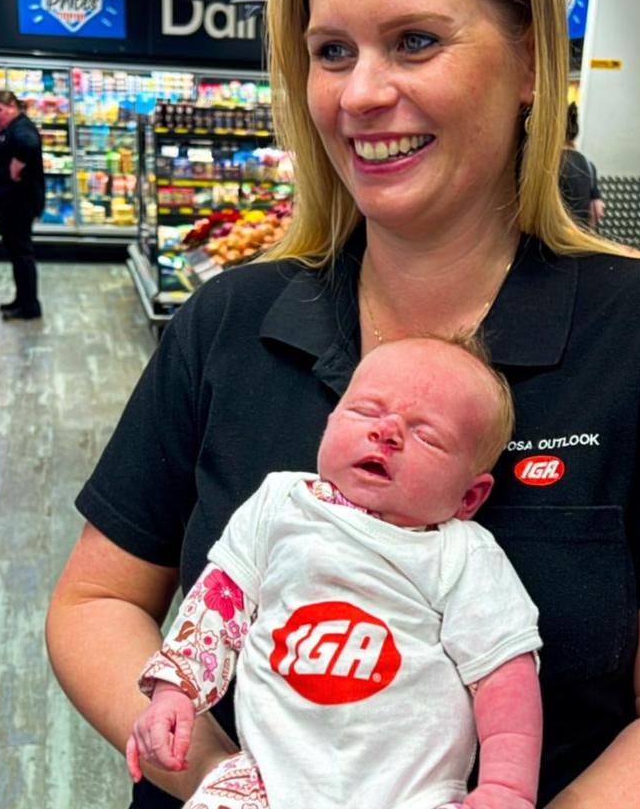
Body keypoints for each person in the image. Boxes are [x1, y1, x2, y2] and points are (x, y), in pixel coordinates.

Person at [46, 0, 640, 809]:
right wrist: (225, 779)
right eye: (331, 51)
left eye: (415, 40)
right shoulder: (232, 318)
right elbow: (96, 601)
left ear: (532, 61)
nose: (361, 94)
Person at [125, 335, 542, 809]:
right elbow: (218, 606)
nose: (387, 433)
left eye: (426, 434)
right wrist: (174, 694)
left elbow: (504, 675)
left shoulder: (461, 554)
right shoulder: (281, 504)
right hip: (266, 778)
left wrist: (506, 788)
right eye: (365, 412)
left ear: (470, 497)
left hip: (410, 794)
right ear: (328, 425)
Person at [0, 90, 44, 319]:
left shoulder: (21, 127)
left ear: (12, 107)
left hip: (18, 203)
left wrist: (16, 166)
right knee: (17, 253)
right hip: (9, 201)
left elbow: (28, 145)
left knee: (21, 254)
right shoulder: (10, 128)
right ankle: (23, 299)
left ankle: (29, 306)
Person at [558, 102, 605, 230]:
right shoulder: (589, 165)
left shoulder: (548, 164)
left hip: (551, 241)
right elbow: (597, 211)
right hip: (578, 240)